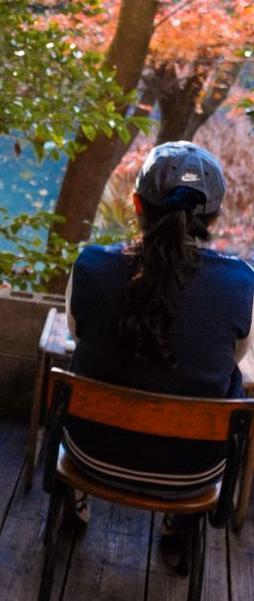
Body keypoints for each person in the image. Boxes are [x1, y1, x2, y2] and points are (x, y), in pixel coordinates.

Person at [64, 140, 254, 528]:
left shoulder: (91, 266)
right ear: (213, 218)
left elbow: (77, 335)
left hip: (91, 450)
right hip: (193, 470)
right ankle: (179, 525)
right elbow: (235, 357)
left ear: (136, 205)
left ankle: (77, 502)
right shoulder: (241, 283)